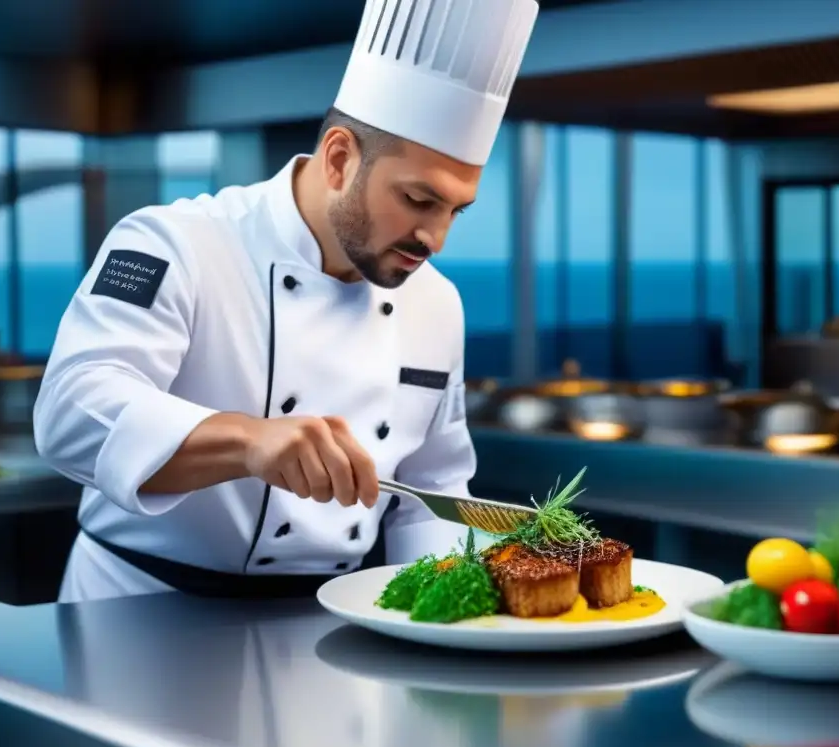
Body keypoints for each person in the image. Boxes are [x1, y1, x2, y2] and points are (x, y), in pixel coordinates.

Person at [34, 0, 540, 603]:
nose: (435, 238)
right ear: (339, 159)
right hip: (135, 612)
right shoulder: (177, 243)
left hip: (326, 626)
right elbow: (70, 412)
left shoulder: (437, 303)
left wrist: (451, 621)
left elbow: (434, 486)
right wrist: (248, 441)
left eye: (456, 210)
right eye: (417, 199)